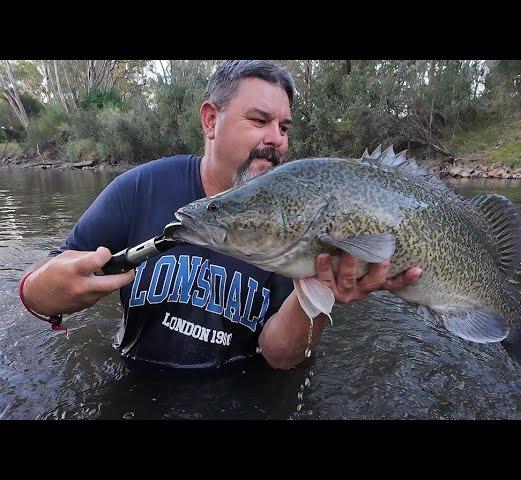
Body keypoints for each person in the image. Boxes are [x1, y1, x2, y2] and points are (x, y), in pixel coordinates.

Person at [19, 60, 423, 370]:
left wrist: (317, 295)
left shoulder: (300, 213)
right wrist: (43, 289)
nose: (276, 139)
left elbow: (281, 357)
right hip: (136, 386)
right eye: (260, 120)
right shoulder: (140, 188)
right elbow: (46, 278)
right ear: (211, 120)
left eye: (284, 127)